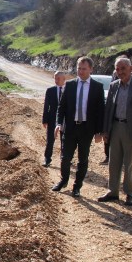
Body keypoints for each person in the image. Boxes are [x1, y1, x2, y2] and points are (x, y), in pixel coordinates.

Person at [98, 57, 132, 206]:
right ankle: (113, 191)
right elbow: (108, 109)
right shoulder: (114, 86)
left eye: (123, 69)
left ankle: (130, 193)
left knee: (130, 164)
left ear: (131, 69)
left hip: (131, 129)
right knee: (113, 162)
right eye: (117, 69)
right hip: (115, 127)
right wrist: (105, 130)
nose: (120, 72)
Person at [52, 56, 105, 197]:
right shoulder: (69, 85)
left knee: (83, 159)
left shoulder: (97, 87)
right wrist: (58, 123)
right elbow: (61, 107)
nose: (81, 72)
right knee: (65, 157)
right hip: (70, 127)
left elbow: (100, 111)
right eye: (79, 68)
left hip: (86, 129)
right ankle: (63, 181)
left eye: (84, 69)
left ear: (91, 69)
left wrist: (99, 131)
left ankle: (77, 187)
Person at [42, 71, 66, 167]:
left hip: (65, 119)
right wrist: (44, 120)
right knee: (50, 140)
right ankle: (47, 159)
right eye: (55, 78)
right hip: (52, 119)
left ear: (64, 79)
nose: (56, 80)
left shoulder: (69, 90)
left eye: (58, 78)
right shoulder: (50, 90)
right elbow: (46, 106)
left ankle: (65, 158)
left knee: (64, 140)